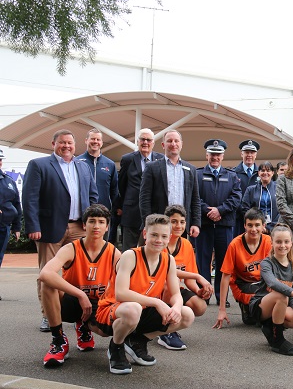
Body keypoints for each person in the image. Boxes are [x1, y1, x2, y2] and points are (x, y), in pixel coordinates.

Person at [95, 214, 195, 374]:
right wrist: (157, 302)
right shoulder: (130, 256)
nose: (158, 240)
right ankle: (116, 347)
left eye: (163, 236)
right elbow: (120, 294)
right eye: (154, 235)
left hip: (141, 310)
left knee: (186, 314)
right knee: (133, 309)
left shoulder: (168, 260)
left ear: (169, 237)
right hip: (113, 310)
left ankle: (137, 341)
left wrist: (176, 307)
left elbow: (176, 293)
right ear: (145, 234)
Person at [23, 129, 99, 332]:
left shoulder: (83, 167)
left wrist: (90, 220)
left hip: (79, 227)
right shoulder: (39, 165)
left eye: (70, 143)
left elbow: (93, 196)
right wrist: (33, 226)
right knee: (48, 273)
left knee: (81, 273)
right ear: (53, 144)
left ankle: (80, 313)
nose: (66, 146)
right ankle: (48, 315)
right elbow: (29, 198)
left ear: (76, 146)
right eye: (62, 142)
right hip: (49, 227)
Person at [39, 204, 120, 367]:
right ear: (84, 225)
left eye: (101, 222)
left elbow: (125, 285)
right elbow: (45, 273)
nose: (96, 226)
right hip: (71, 302)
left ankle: (84, 326)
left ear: (107, 226)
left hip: (96, 303)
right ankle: (58, 340)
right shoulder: (71, 249)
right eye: (91, 221)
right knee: (47, 285)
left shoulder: (114, 253)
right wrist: (80, 294)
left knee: (107, 331)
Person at [158, 205, 213, 350]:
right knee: (173, 281)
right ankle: (165, 329)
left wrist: (197, 290)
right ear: (166, 223)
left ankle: (169, 322)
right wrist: (198, 276)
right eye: (174, 221)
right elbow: (168, 271)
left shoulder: (187, 244)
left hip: (173, 291)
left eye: (182, 222)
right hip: (155, 291)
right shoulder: (159, 242)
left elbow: (189, 279)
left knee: (200, 306)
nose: (179, 225)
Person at [249, 224, 293, 355]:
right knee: (281, 295)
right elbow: (273, 283)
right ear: (272, 243)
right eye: (278, 242)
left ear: (291, 243)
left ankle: (270, 328)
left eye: (286, 242)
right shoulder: (267, 263)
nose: (283, 245)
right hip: (260, 307)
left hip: (281, 305)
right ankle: (278, 340)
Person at [196, 139, 242, 307]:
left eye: (218, 155)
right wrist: (209, 211)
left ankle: (220, 296)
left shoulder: (232, 176)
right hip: (205, 225)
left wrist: (220, 210)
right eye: (212, 154)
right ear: (207, 155)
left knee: (224, 263)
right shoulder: (198, 174)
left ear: (223, 156)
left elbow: (236, 197)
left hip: (224, 225)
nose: (215, 157)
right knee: (203, 260)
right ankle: (205, 293)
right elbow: (194, 197)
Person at [213, 208, 272, 328]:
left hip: (263, 282)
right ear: (244, 225)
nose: (253, 229)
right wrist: (222, 309)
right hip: (243, 284)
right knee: (251, 320)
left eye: (257, 225)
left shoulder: (269, 241)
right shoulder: (235, 245)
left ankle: (264, 313)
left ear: (263, 226)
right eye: (250, 225)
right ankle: (247, 307)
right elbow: (225, 276)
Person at [139, 130, 201, 238]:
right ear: (163, 145)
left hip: (181, 226)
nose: (173, 144)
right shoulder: (152, 167)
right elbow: (144, 198)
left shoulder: (191, 169)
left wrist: (196, 223)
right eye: (169, 141)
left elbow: (195, 199)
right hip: (159, 225)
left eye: (176, 141)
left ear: (181, 144)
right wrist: (148, 223)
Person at [116, 128, 164, 251]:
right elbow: (121, 185)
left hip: (154, 213)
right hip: (132, 213)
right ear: (137, 141)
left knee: (150, 251)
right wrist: (121, 206)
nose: (145, 142)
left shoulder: (161, 160)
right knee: (128, 251)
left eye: (148, 140)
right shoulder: (128, 159)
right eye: (142, 139)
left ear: (153, 143)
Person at [76, 128, 118, 230]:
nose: (95, 142)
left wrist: (113, 210)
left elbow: (114, 190)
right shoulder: (77, 162)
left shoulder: (110, 164)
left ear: (102, 143)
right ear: (86, 141)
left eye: (98, 140)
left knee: (102, 244)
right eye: (92, 139)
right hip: (82, 215)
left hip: (104, 214)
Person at [240, 161, 279, 233]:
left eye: (268, 170)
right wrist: (257, 226)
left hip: (275, 228)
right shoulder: (250, 189)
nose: (265, 173)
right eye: (263, 170)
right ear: (258, 173)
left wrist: (270, 227)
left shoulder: (279, 188)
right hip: (255, 229)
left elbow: (282, 209)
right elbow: (245, 208)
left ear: (273, 173)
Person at [0, 149, 21, 272]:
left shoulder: (9, 181)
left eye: (0, 160)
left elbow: (17, 204)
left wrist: (16, 227)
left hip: (3, 226)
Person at [234, 140, 261, 236]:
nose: (249, 155)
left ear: (256, 155)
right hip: (238, 219)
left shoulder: (262, 173)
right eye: (247, 152)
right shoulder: (233, 173)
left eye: (252, 152)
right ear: (242, 154)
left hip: (257, 220)